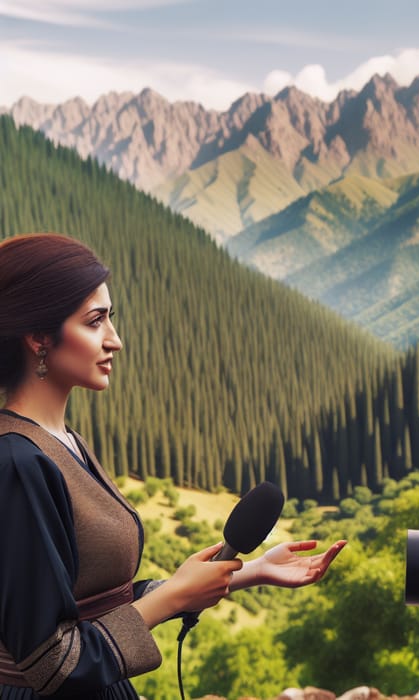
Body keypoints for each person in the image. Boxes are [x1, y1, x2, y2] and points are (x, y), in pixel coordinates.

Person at [0, 232, 346, 699]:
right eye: (95, 321)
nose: (115, 340)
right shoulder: (19, 462)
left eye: (111, 318)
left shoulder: (64, 443)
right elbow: (51, 662)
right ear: (39, 336)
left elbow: (96, 604)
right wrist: (173, 598)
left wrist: (251, 571)